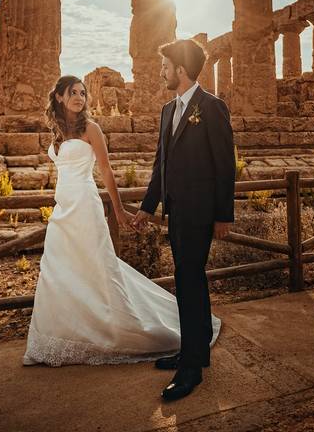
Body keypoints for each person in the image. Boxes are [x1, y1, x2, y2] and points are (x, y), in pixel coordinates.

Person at [22, 75, 220, 368]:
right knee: (58, 269)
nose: (80, 97)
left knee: (97, 268)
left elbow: (106, 170)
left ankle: (123, 331)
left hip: (85, 206)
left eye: (83, 92)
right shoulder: (56, 131)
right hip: (62, 207)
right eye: (73, 92)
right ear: (60, 97)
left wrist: (117, 210)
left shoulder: (91, 128)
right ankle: (62, 336)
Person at [134, 38, 236, 401]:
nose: (161, 71)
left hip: (202, 212)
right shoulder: (167, 110)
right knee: (186, 279)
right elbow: (160, 164)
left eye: (164, 66)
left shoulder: (212, 107)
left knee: (190, 281)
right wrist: (148, 207)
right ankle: (195, 351)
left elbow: (225, 165)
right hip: (175, 211)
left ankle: (190, 368)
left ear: (180, 69)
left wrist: (224, 214)